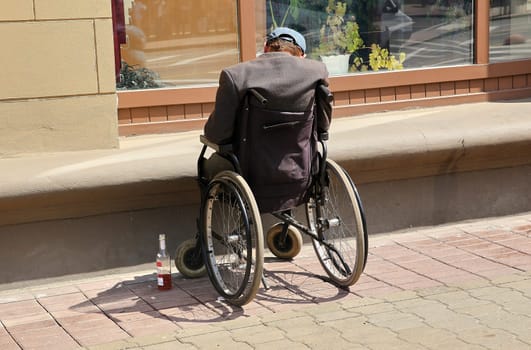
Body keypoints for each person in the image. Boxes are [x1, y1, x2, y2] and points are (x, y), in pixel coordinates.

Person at [202, 27, 333, 212]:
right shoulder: (317, 71)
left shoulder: (236, 75)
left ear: (266, 48)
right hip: (301, 174)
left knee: (206, 164)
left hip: (250, 177)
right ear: (302, 55)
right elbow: (323, 127)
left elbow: (217, 134)